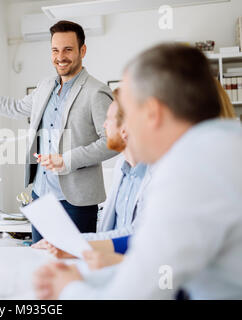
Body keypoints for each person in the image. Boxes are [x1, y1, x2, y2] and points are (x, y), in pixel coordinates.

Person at [33, 43, 242, 300]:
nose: (123, 128)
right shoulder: (222, 145)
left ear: (152, 113)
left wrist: (67, 288)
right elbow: (154, 270)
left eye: (127, 113)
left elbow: (138, 294)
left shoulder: (191, 168)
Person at [0, 20, 117, 243]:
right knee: (40, 263)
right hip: (41, 197)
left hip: (77, 202)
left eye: (68, 49)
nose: (61, 57)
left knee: (75, 268)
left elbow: (113, 141)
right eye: (55, 50)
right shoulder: (45, 86)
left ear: (83, 50)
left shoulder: (96, 92)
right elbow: (14, 107)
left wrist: (67, 160)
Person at [33, 88, 152, 270]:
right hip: (111, 267)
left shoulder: (157, 176)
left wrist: (72, 244)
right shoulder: (122, 166)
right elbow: (109, 230)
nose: (104, 125)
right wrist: (66, 244)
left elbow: (136, 234)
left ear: (125, 129)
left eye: (109, 119)